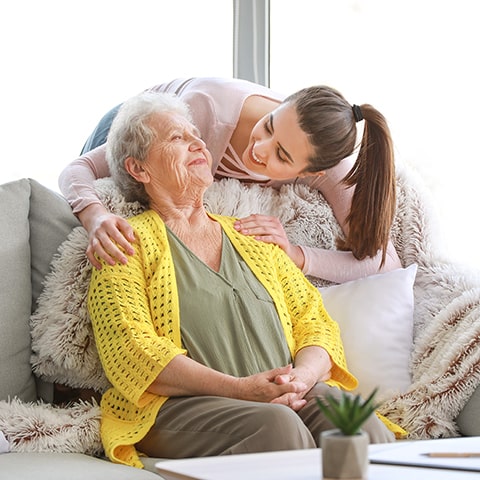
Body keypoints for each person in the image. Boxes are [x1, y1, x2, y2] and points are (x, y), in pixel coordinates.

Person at [86, 91, 398, 468]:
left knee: (358, 423)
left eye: (194, 135)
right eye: (176, 138)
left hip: (283, 397)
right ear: (139, 170)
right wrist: (241, 390)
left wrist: (301, 378)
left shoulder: (254, 236)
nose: (198, 142)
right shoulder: (123, 245)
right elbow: (134, 354)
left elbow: (315, 324)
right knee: (277, 428)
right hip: (178, 408)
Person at [60, 77, 402, 284]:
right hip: (133, 125)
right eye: (269, 124)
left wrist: (296, 255)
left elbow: (383, 261)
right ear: (281, 105)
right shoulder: (203, 114)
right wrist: (96, 217)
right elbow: (76, 170)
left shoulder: (330, 167)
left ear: (312, 174)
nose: (259, 148)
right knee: (77, 233)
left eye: (281, 155)